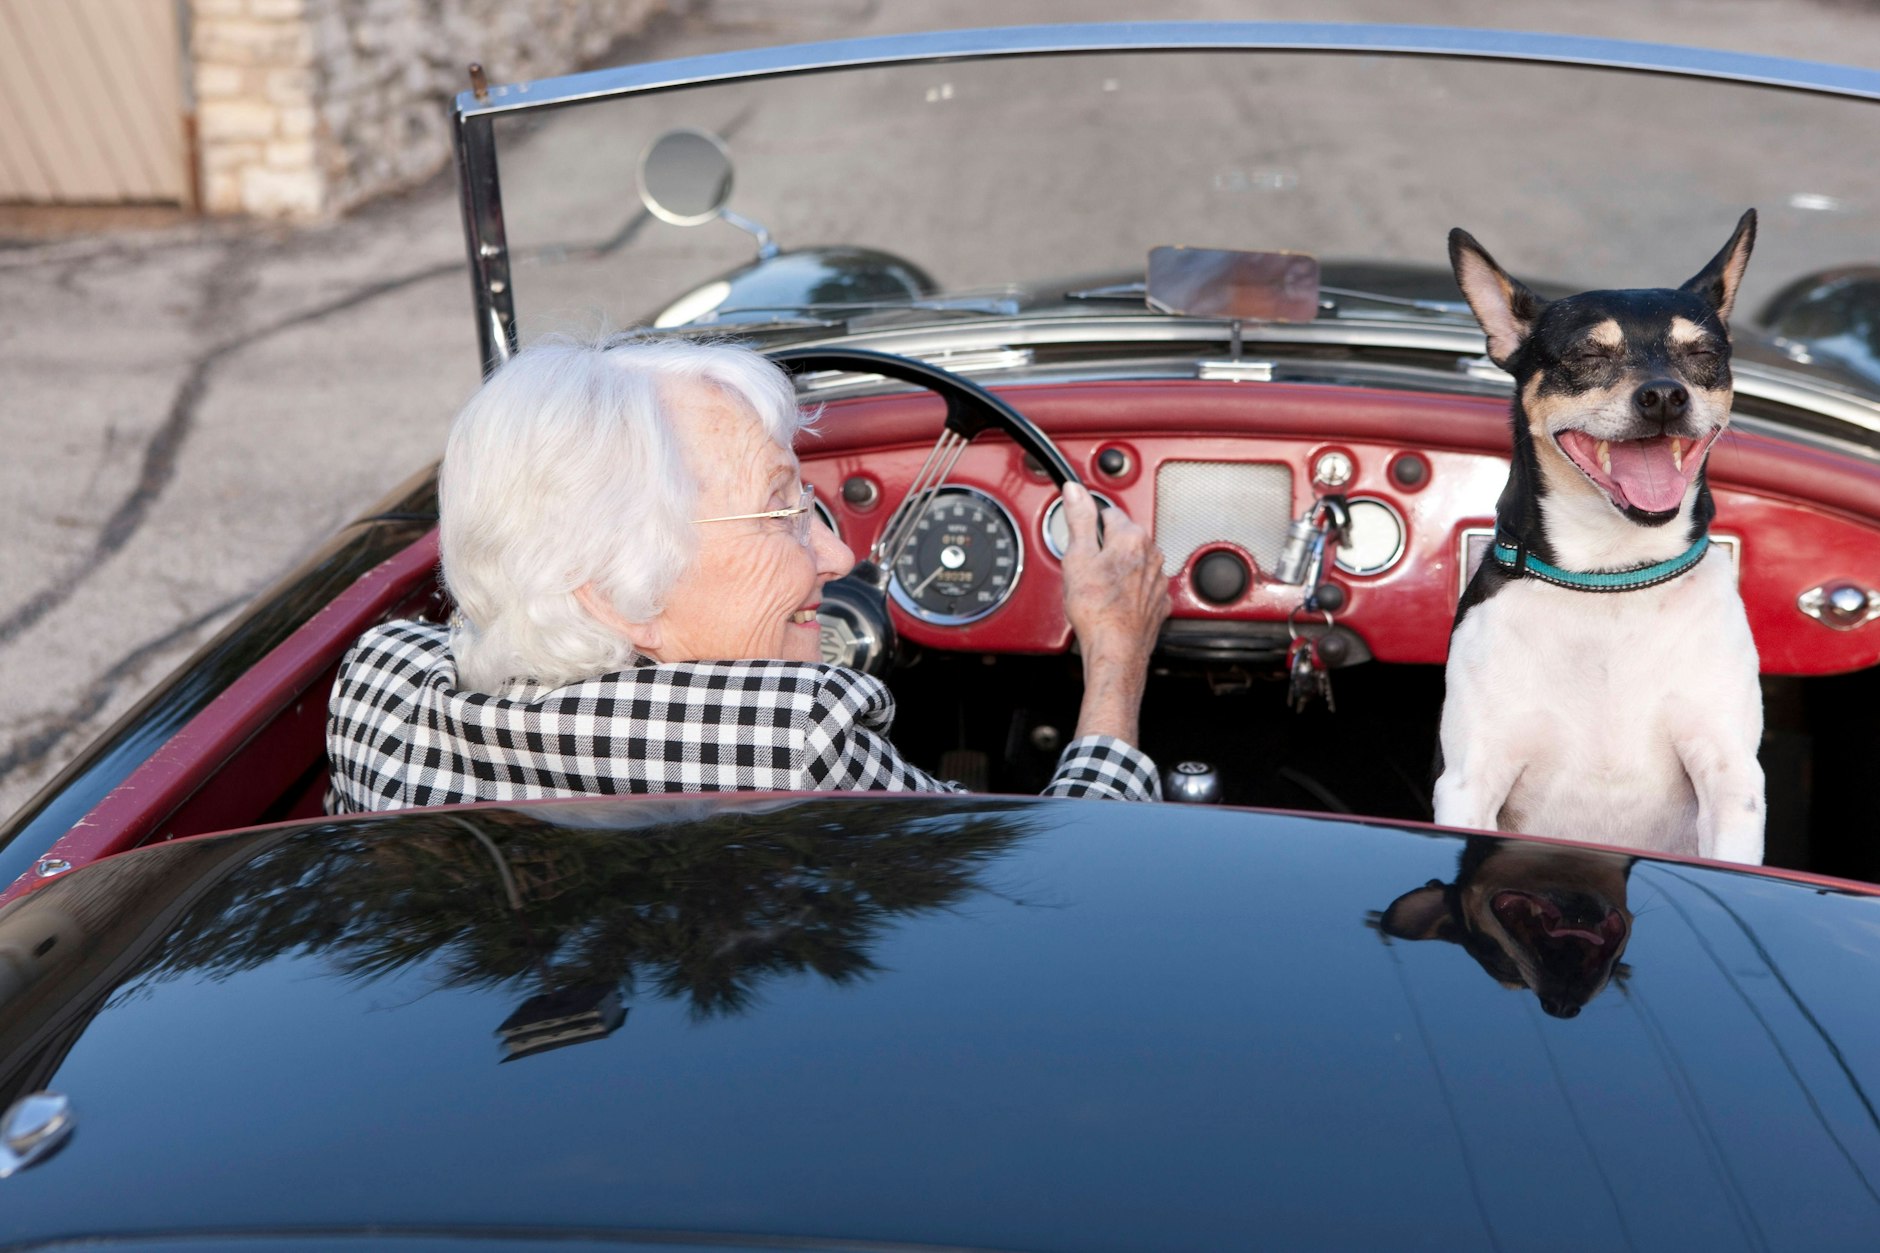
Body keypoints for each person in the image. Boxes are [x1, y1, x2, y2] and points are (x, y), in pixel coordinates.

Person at [326, 335, 1169, 811]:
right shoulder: (797, 743)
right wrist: (1115, 660)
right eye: (785, 512)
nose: (839, 557)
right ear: (617, 594)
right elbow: (1062, 898)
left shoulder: (377, 685)